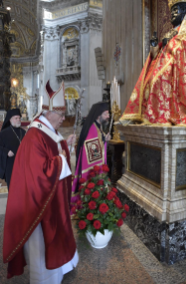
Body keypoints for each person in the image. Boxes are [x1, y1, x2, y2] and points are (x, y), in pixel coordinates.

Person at [3, 80, 78, 284]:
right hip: (39, 203)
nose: (63, 119)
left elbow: (55, 148)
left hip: (52, 198)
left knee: (58, 232)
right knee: (42, 242)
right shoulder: (35, 134)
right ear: (49, 113)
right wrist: (63, 158)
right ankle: (46, 277)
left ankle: (62, 266)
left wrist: (66, 144)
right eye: (61, 115)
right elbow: (40, 172)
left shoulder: (47, 129)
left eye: (63, 115)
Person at [120, 0, 186, 141]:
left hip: (179, 78)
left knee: (158, 80)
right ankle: (153, 113)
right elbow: (160, 54)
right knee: (152, 79)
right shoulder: (170, 34)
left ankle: (170, 112)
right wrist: (156, 48)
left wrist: (169, 46)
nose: (173, 13)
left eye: (178, 9)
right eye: (172, 10)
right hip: (166, 72)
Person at [71, 101, 111, 207]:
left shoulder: (97, 126)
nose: (108, 116)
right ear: (98, 115)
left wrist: (104, 139)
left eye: (108, 113)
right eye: (106, 114)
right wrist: (103, 140)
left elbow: (98, 142)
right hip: (91, 170)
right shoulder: (92, 129)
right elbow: (92, 149)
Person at [0, 108, 26, 189]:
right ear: (10, 120)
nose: (18, 120)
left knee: (23, 188)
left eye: (19, 118)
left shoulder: (23, 132)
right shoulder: (4, 133)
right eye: (16, 118)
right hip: (10, 165)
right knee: (12, 188)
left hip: (23, 165)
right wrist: (6, 151)